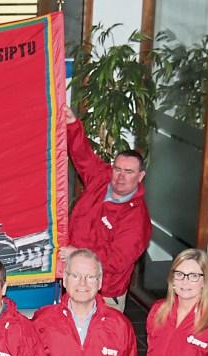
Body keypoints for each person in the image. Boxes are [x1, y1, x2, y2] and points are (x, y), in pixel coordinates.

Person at [61, 106, 152, 313]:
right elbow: (82, 155)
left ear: (140, 176)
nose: (120, 176)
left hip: (105, 291)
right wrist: (72, 124)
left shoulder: (137, 219)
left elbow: (116, 260)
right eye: (117, 169)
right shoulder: (102, 179)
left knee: (101, 341)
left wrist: (79, 254)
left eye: (128, 172)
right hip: (72, 279)